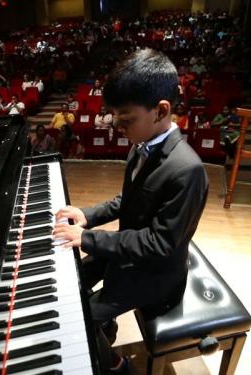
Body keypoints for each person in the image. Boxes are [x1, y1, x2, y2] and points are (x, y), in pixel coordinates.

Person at [52, 48, 209, 374]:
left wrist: (88, 239)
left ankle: (117, 366)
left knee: (76, 317)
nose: (117, 127)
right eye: (115, 117)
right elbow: (130, 199)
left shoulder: (187, 170)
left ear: (161, 110)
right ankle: (105, 330)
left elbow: (159, 244)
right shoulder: (143, 144)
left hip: (155, 274)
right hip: (127, 252)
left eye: (126, 119)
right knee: (65, 282)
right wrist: (89, 215)